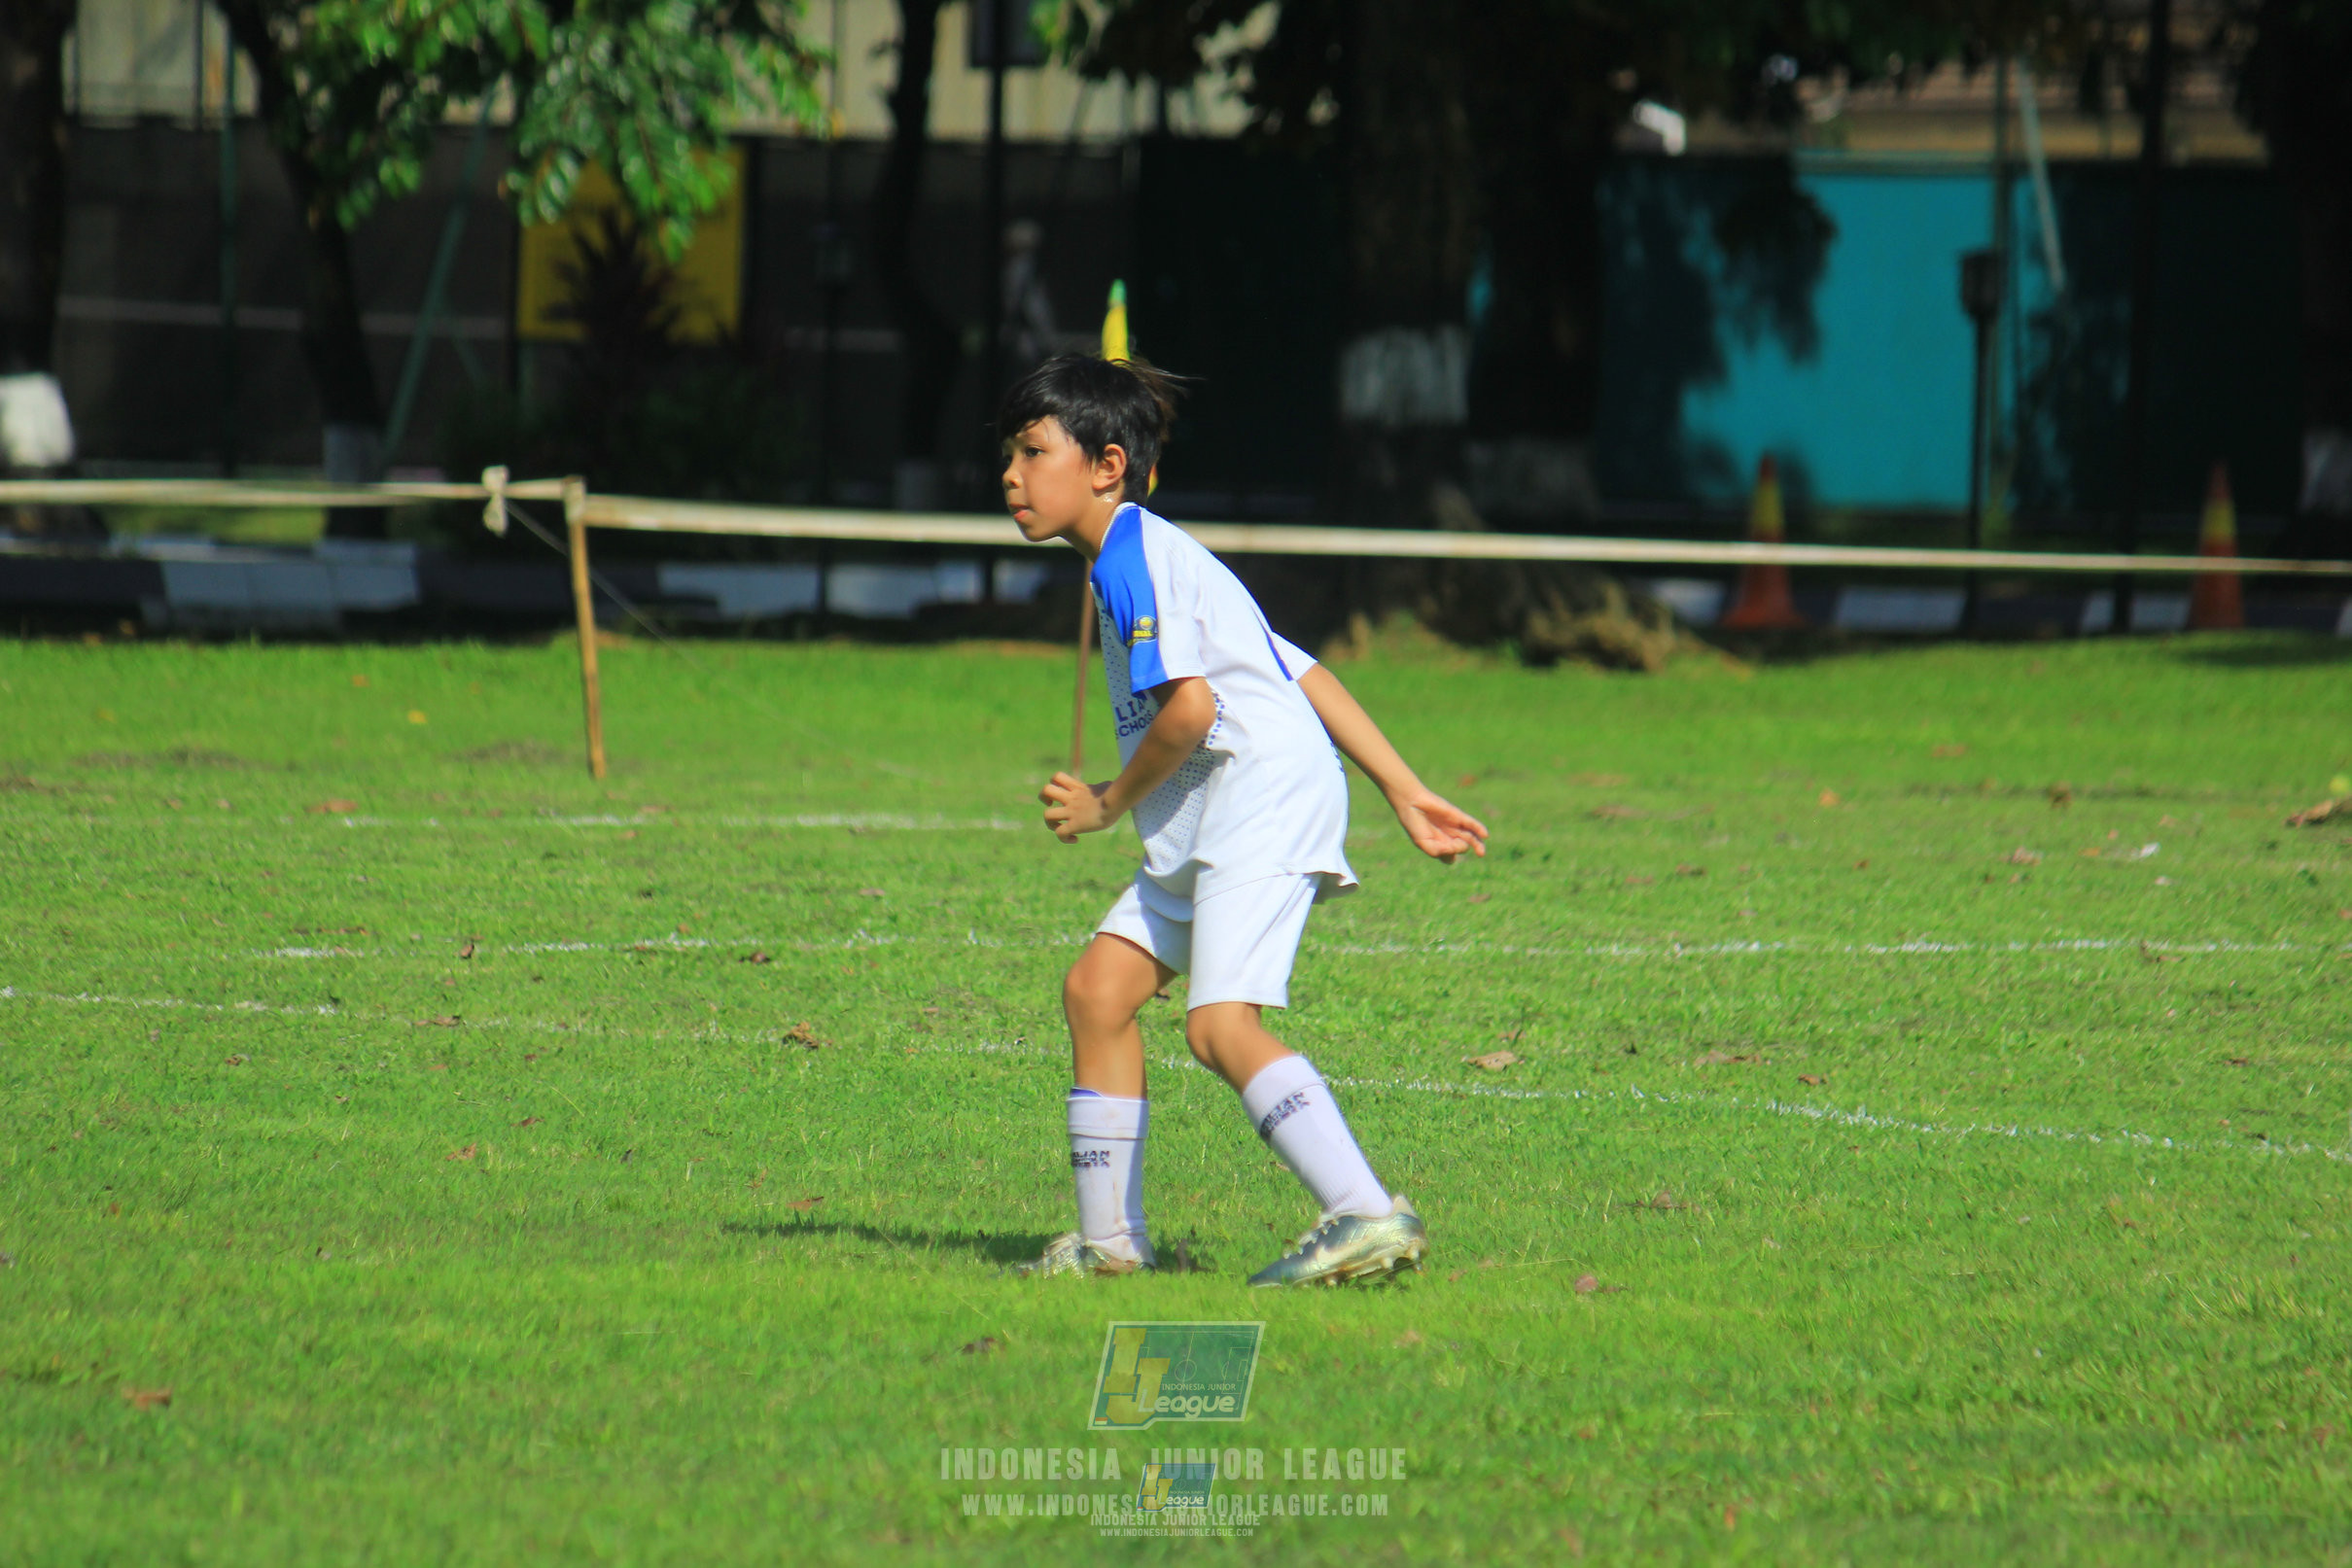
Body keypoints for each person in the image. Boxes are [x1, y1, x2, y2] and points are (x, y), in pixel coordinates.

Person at [998, 354, 1489, 1287]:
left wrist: (1106, 802)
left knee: (1219, 1024)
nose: (1010, 476)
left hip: (1256, 795)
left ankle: (1365, 1212)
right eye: (1008, 455)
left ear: (1104, 465)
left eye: (1030, 451)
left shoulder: (1135, 558)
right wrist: (1402, 787)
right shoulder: (1141, 551)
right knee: (1098, 992)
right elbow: (1297, 666)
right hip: (1217, 803)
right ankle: (1110, 1248)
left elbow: (1187, 711)